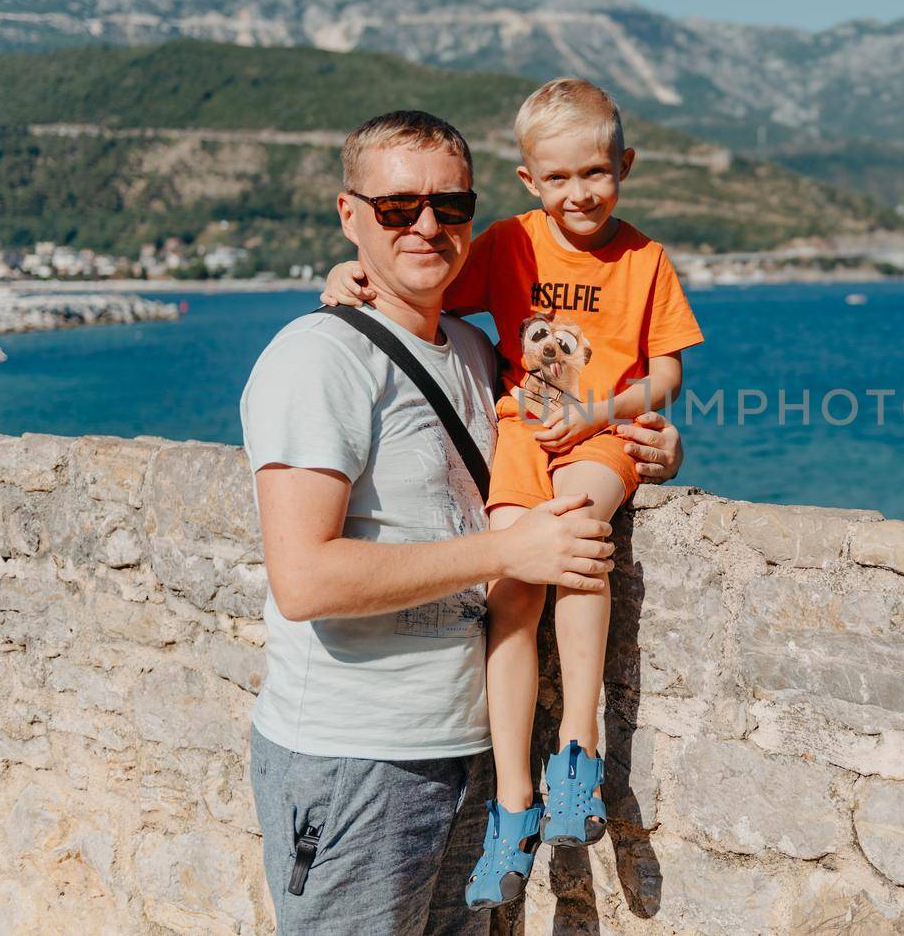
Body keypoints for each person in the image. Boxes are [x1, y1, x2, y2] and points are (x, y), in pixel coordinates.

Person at [241, 108, 685, 935]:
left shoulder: (481, 359)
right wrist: (510, 548)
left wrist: (650, 444)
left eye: (448, 207)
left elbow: (585, 417)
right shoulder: (319, 359)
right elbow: (303, 581)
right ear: (350, 216)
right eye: (396, 209)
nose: (426, 226)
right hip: (356, 764)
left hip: (466, 755)